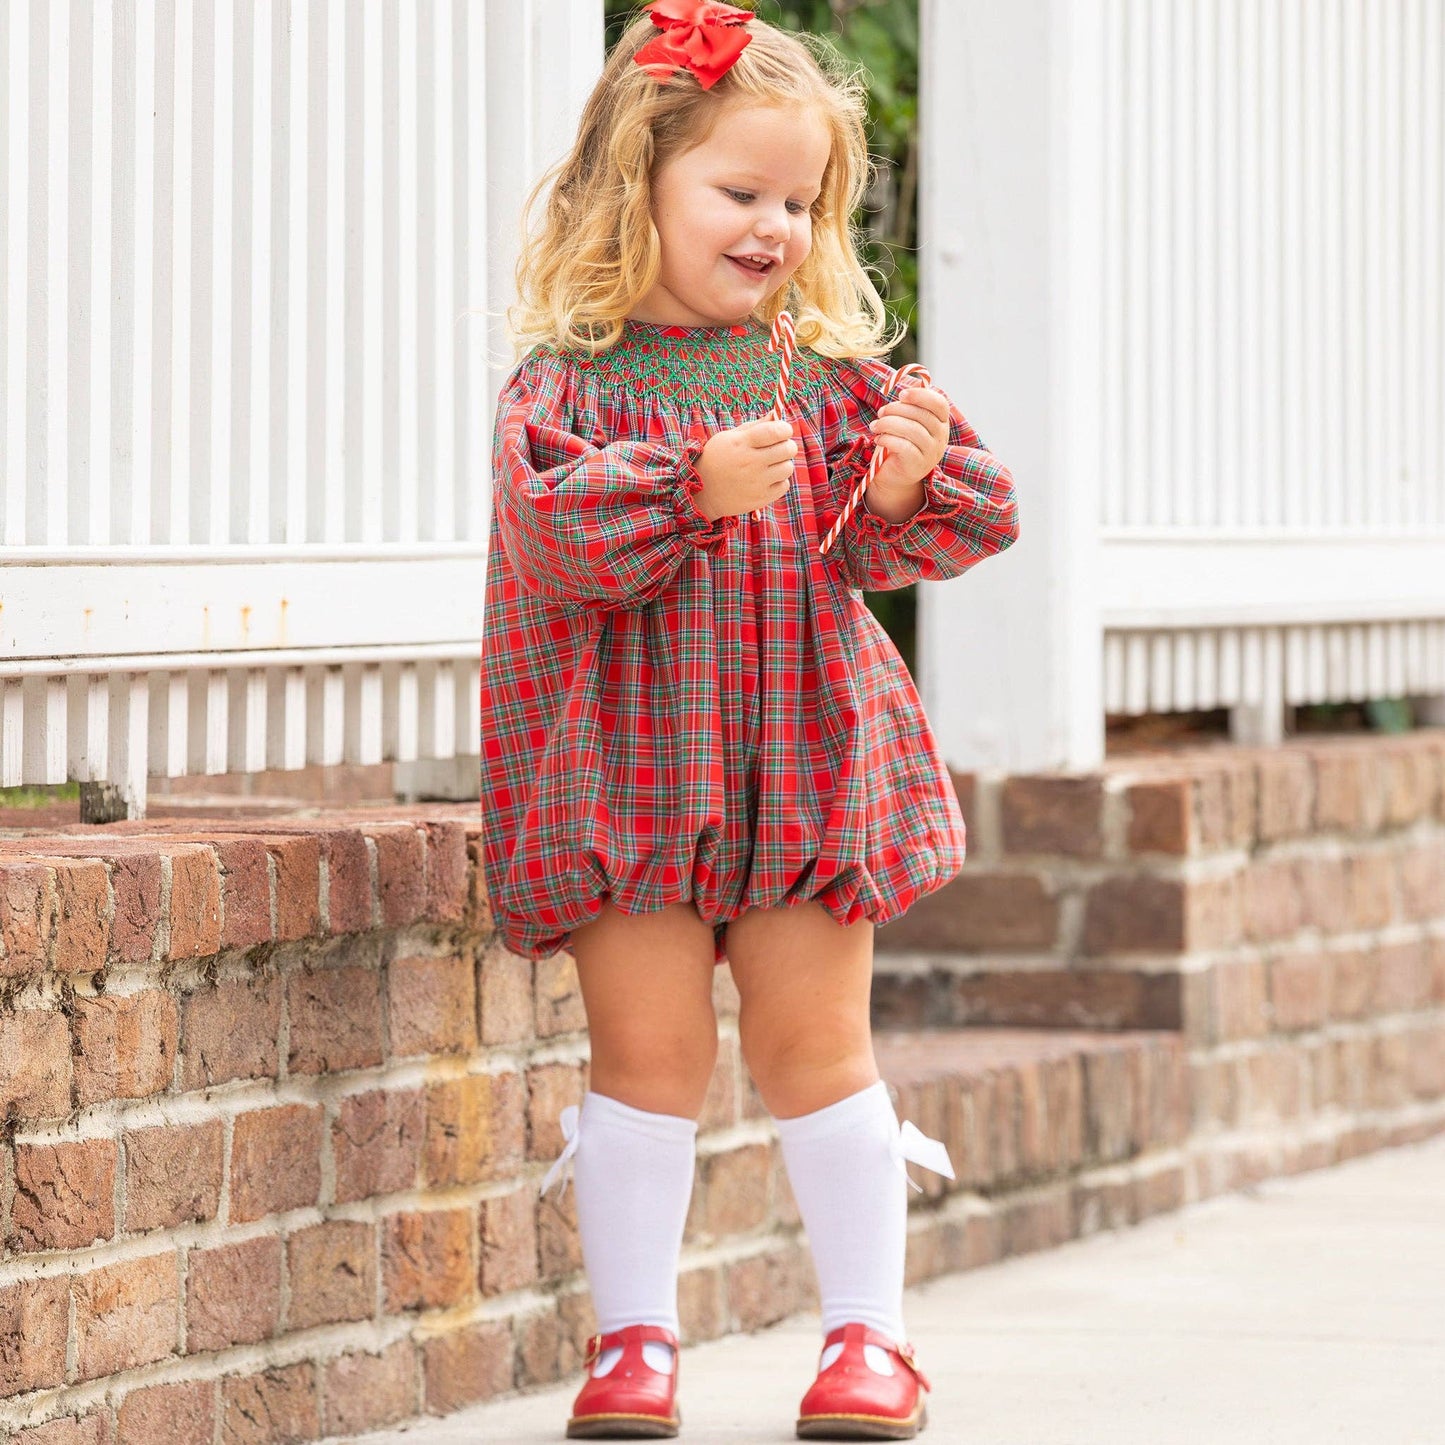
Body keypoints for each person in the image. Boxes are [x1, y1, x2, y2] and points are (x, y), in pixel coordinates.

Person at [478, 2, 1020, 1438]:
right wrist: (688, 486)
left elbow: (885, 543)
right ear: (632, 185)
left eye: (798, 200)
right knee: (645, 1058)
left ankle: (870, 1341)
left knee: (814, 1048)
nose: (775, 225)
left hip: (801, 765)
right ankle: (634, 1343)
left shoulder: (821, 377)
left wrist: (899, 482)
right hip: (631, 780)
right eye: (738, 192)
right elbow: (556, 538)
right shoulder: (569, 383)